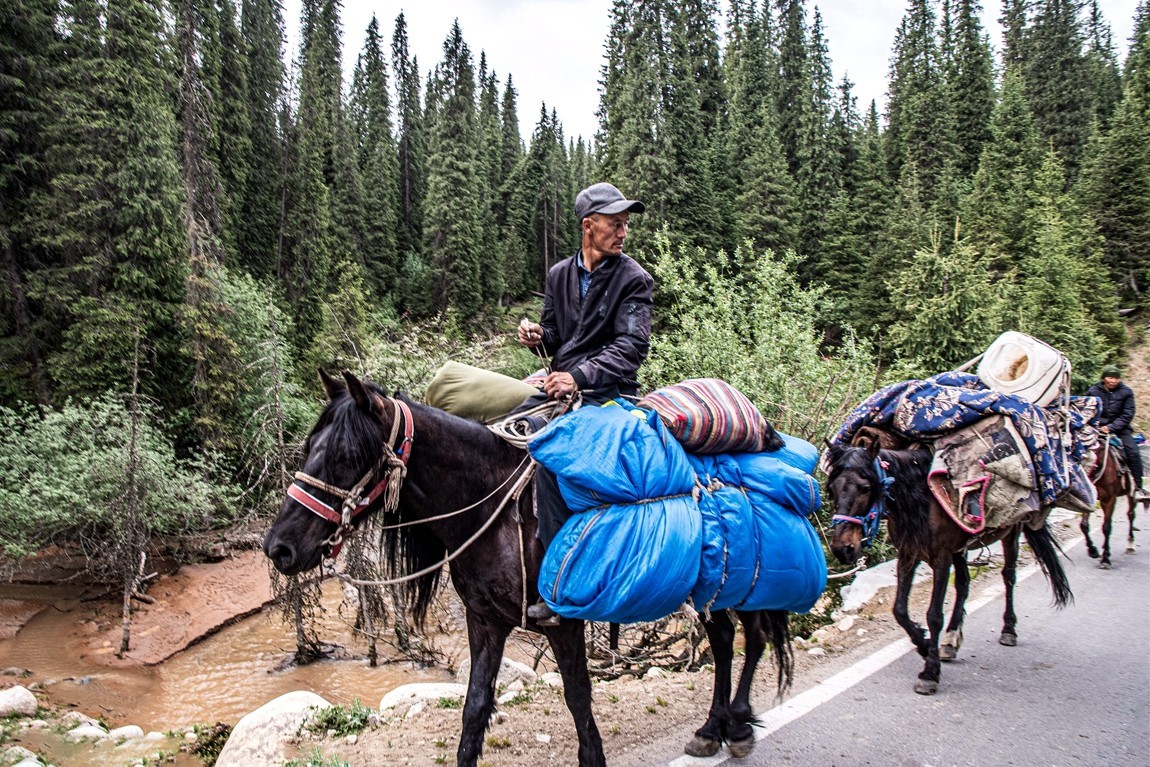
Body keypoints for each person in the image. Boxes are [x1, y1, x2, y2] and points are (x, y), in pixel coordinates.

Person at [516, 182, 654, 622]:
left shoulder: (634, 279)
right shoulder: (559, 275)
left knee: (555, 460)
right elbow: (556, 338)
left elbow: (630, 349)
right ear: (588, 227)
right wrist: (537, 339)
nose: (623, 232)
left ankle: (567, 583)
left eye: (625, 224)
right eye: (615, 224)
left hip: (610, 394)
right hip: (559, 386)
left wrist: (577, 377)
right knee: (496, 430)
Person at [1087, 364, 1146, 501]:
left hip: (1121, 430)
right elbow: (1088, 410)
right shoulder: (1093, 391)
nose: (1113, 381)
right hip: (1097, 429)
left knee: (1133, 451)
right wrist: (1095, 425)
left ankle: (1138, 487)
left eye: (1116, 378)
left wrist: (1111, 427)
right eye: (1110, 377)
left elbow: (1128, 414)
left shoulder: (1126, 392)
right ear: (1103, 378)